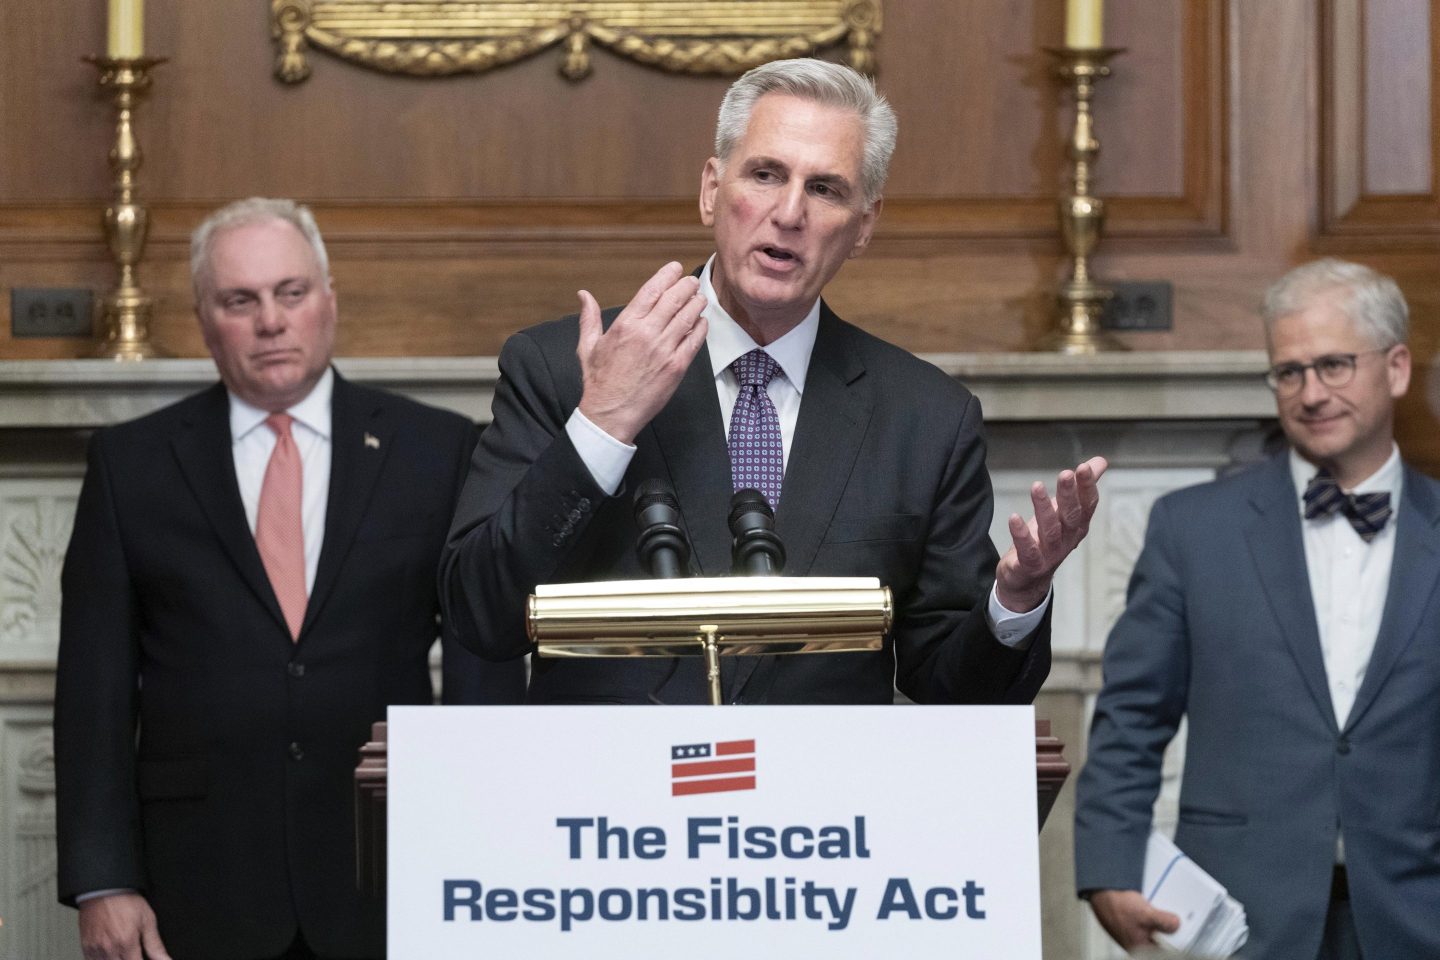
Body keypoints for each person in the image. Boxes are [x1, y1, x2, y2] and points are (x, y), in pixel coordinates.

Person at [441, 58, 1105, 705]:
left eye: (824, 189)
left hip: (821, 810)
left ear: (865, 224)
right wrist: (602, 423)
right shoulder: (561, 366)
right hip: (610, 804)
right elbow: (482, 617)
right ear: (711, 190)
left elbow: (951, 688)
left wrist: (1015, 599)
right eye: (765, 174)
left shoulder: (925, 418)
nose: (789, 213)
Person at [54, 198, 525, 960]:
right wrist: (104, 880)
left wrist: (484, 843)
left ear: (328, 301)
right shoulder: (130, 468)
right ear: (206, 320)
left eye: (291, 293)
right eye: (240, 300)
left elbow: (485, 660)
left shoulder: (434, 451)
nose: (270, 320)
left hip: (387, 871)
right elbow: (93, 692)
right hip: (197, 882)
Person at [1074, 258, 1440, 959]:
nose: (1310, 392)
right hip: (1240, 917)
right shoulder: (1191, 530)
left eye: (1334, 365)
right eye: (1289, 372)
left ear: (1395, 369)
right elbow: (1131, 717)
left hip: (1418, 913)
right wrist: (1109, 867)